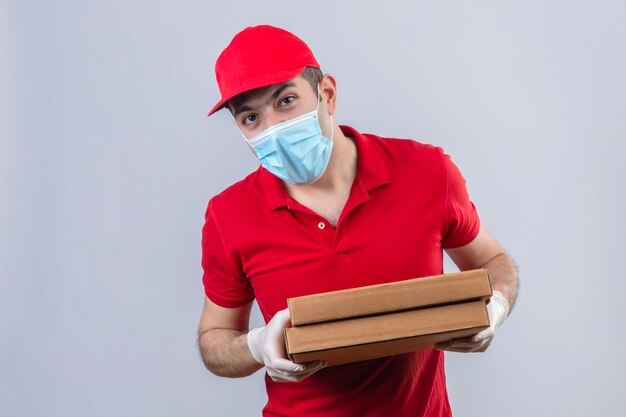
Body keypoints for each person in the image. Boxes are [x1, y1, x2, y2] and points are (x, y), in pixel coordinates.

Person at [197, 25, 519, 417]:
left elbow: (491, 261)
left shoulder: (426, 172)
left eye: (286, 101)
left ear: (326, 94)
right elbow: (215, 338)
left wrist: (496, 307)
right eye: (251, 118)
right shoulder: (228, 215)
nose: (274, 130)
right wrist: (255, 345)